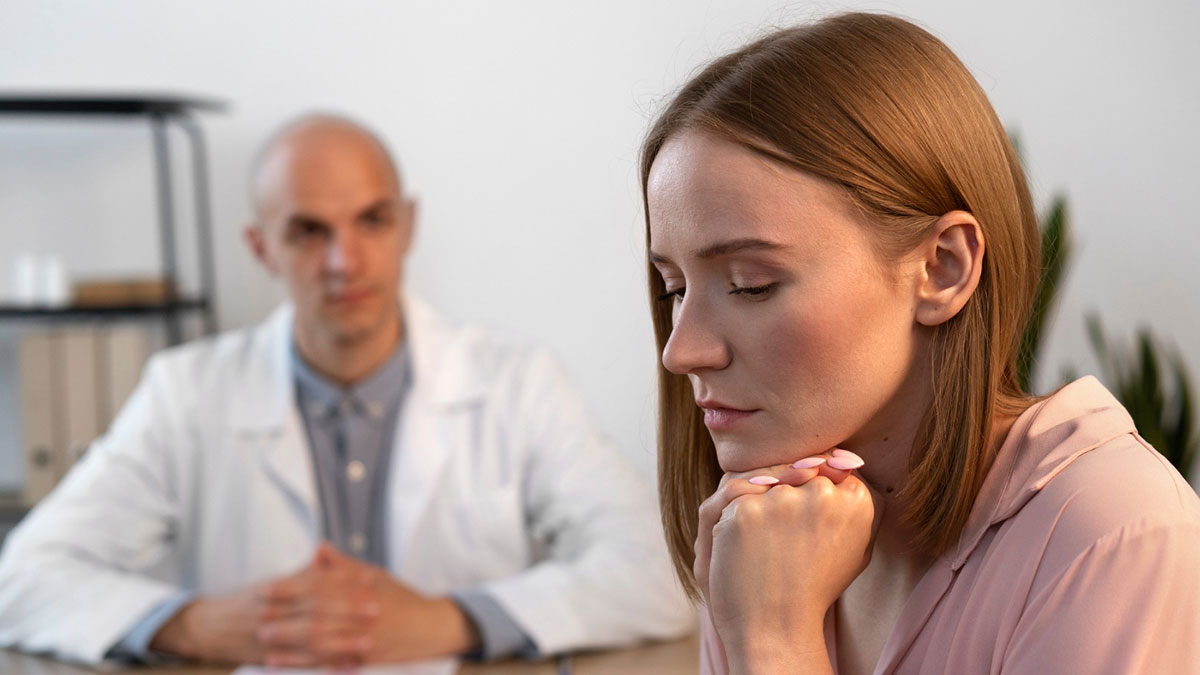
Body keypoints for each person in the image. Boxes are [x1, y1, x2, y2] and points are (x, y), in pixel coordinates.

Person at [0, 114, 692, 666]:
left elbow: (657, 573)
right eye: (308, 232)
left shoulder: (515, 382)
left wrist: (449, 619)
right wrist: (195, 624)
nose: (344, 261)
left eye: (371, 220)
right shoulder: (186, 394)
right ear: (261, 247)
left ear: (408, 225)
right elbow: (22, 579)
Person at [641, 12, 1200, 675]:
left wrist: (775, 640)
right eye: (674, 289)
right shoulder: (765, 533)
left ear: (943, 268)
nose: (682, 351)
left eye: (751, 284)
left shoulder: (1112, 533)